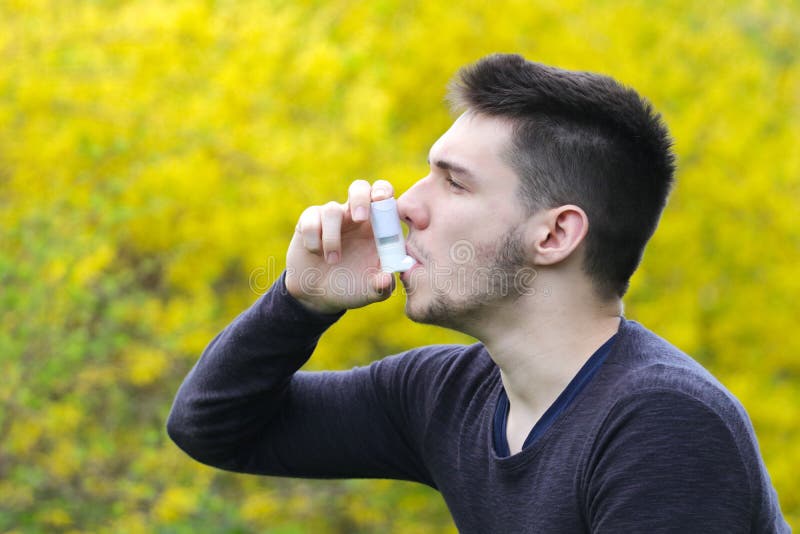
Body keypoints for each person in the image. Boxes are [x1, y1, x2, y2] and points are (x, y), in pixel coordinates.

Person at [167, 54, 789, 532]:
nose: (407, 204)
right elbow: (215, 427)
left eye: (454, 184)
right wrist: (301, 300)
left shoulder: (663, 424)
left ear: (554, 234)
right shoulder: (446, 394)